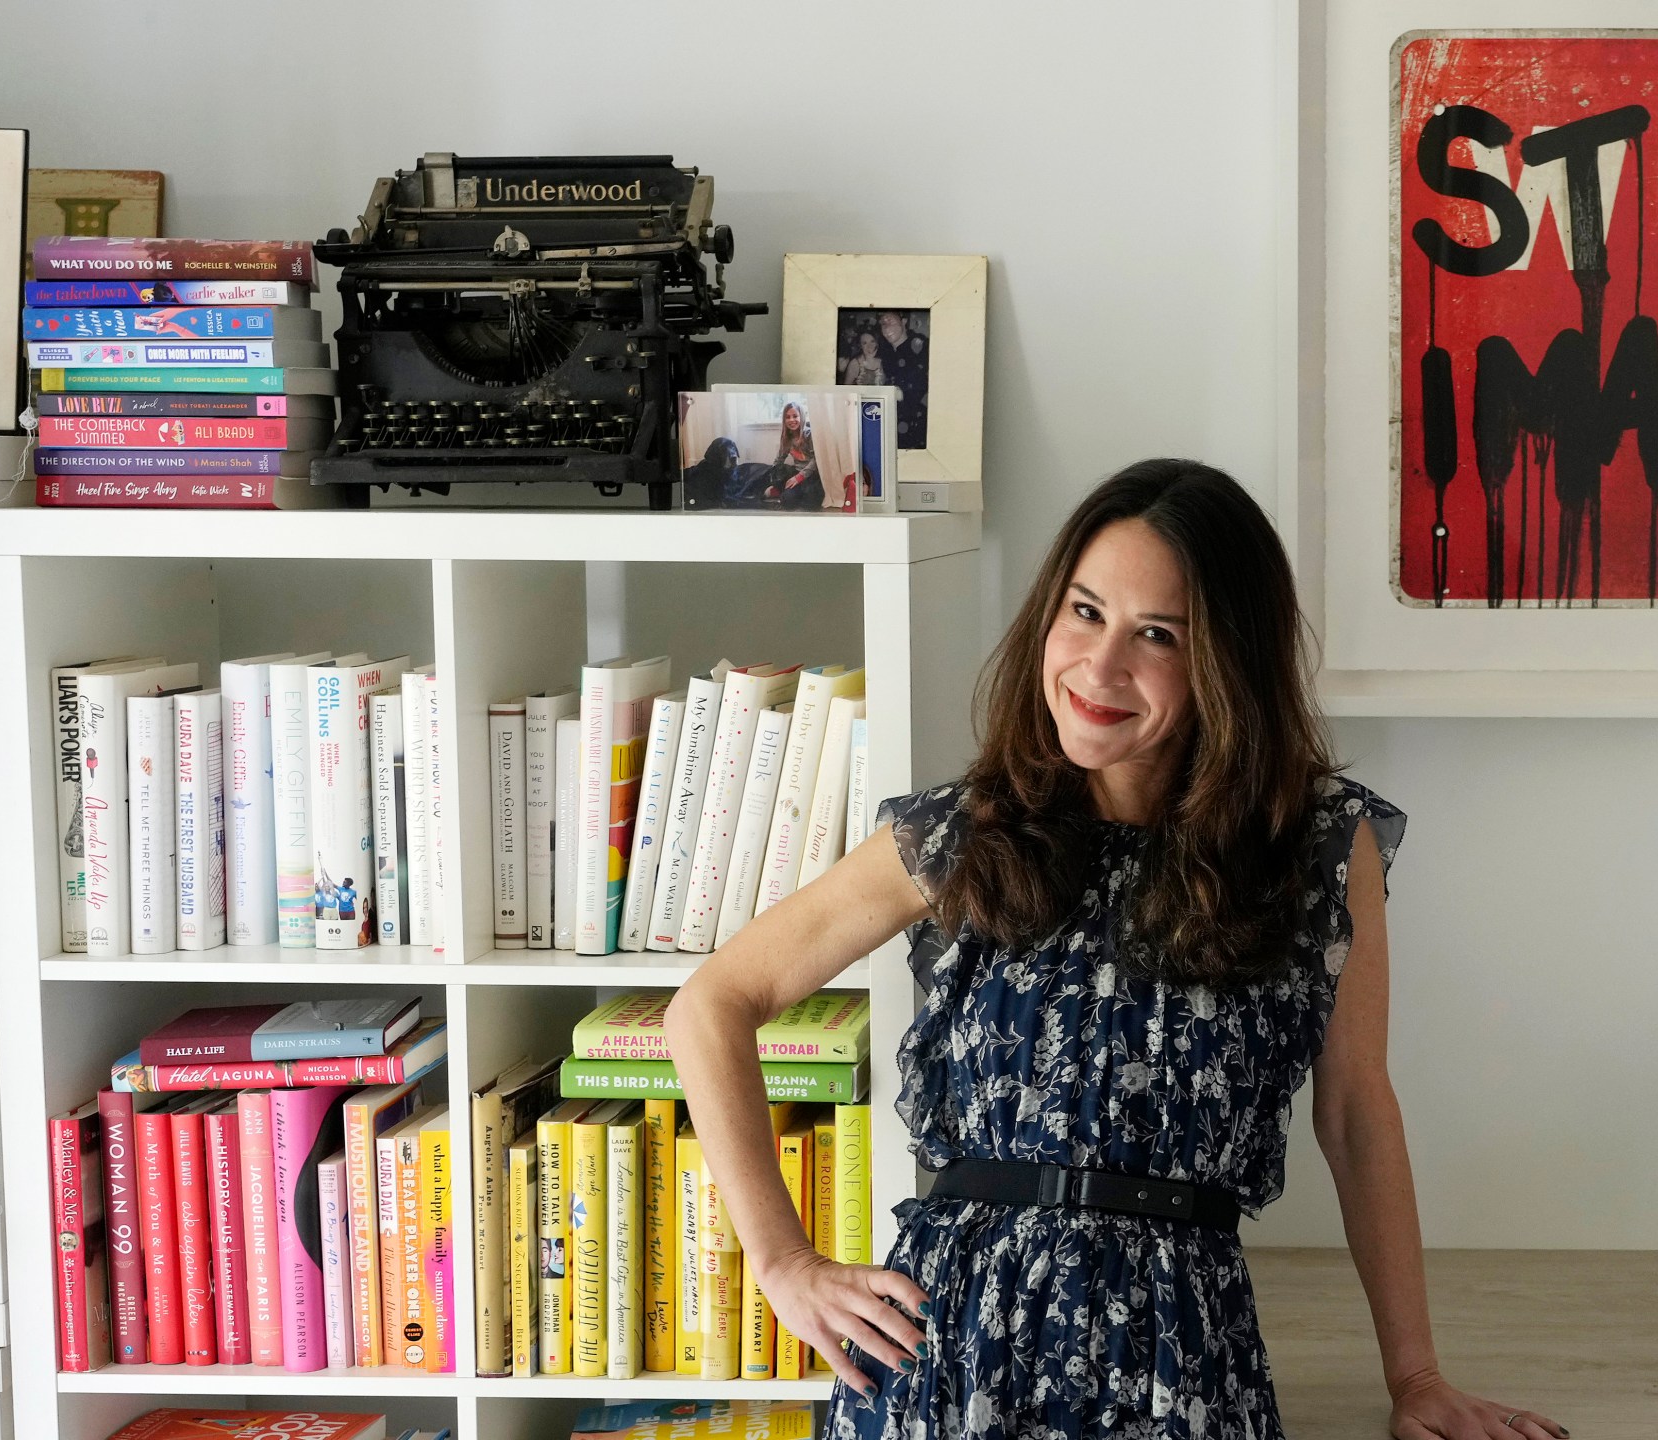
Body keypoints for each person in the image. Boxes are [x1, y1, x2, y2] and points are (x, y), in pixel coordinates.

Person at [667, 459, 1566, 1440]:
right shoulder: (960, 836)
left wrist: (1416, 1377)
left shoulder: (1314, 848)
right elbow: (711, 1004)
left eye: (1158, 635)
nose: (1099, 668)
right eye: (1085, 612)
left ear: (1225, 661)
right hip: (951, 1356)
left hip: (1182, 1351)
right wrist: (783, 1262)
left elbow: (1354, 1111)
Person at [876, 309, 928, 449]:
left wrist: (901, 392)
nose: (886, 327)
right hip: (895, 421)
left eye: (891, 321)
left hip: (919, 422)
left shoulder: (921, 345)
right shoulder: (886, 353)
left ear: (904, 322)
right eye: (883, 324)